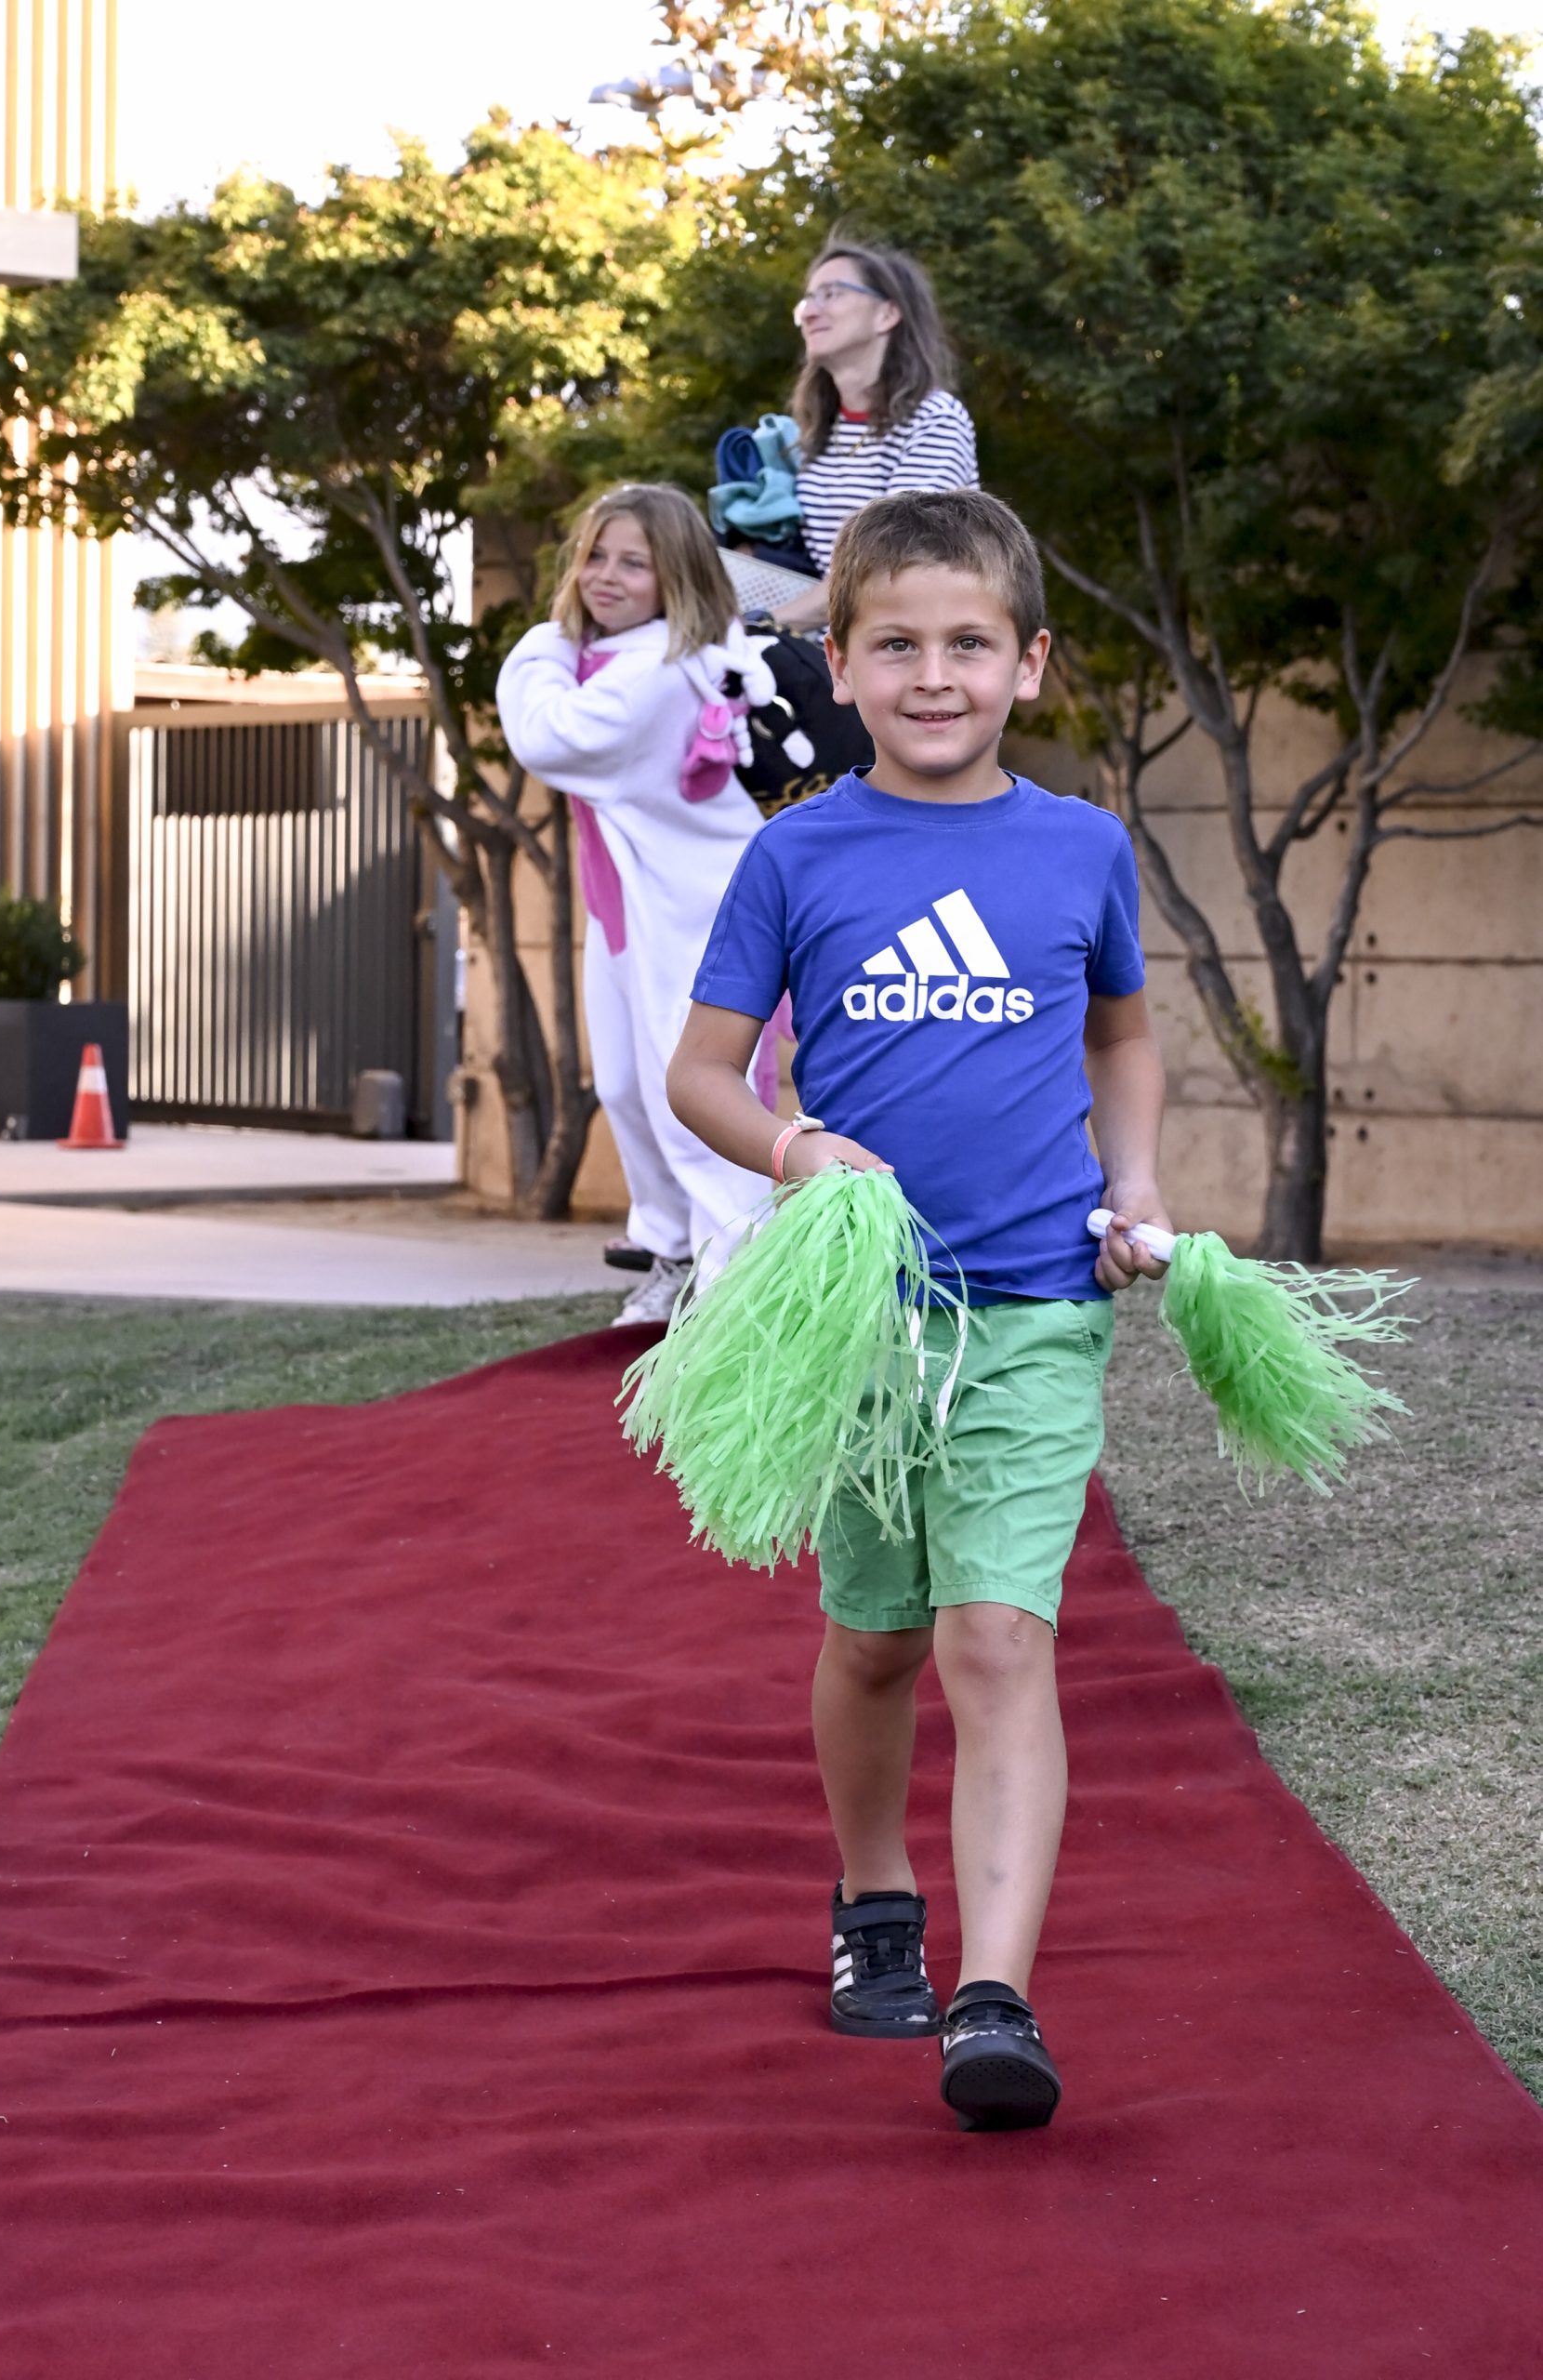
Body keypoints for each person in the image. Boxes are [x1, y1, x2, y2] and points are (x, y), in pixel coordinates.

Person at [666, 488, 1172, 2129]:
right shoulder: (795, 854)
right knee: (878, 1638)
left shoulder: (1081, 848)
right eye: (895, 645)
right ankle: (874, 1891)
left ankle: (993, 1997)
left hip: (1033, 1304)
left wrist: (1135, 1181)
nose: (933, 675)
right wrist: (792, 1146)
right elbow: (700, 1073)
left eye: (969, 643)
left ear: (1030, 664)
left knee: (994, 1635)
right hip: (862, 1321)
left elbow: (1120, 1035)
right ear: (839, 663)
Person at [496, 484, 774, 1327]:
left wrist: (546, 639)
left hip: (699, 913)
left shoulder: (653, 674)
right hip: (630, 907)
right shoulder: (632, 657)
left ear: (675, 579)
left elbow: (545, 735)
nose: (604, 577)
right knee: (623, 1084)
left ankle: (735, 1282)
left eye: (633, 564)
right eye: (595, 556)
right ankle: (675, 1251)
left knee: (695, 1094)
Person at [765, 243, 980, 634]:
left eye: (831, 294)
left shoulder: (935, 420)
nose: (810, 312)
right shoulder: (816, 436)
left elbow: (886, 564)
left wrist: (765, 623)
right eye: (807, 300)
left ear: (887, 314)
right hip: (835, 650)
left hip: (914, 651)